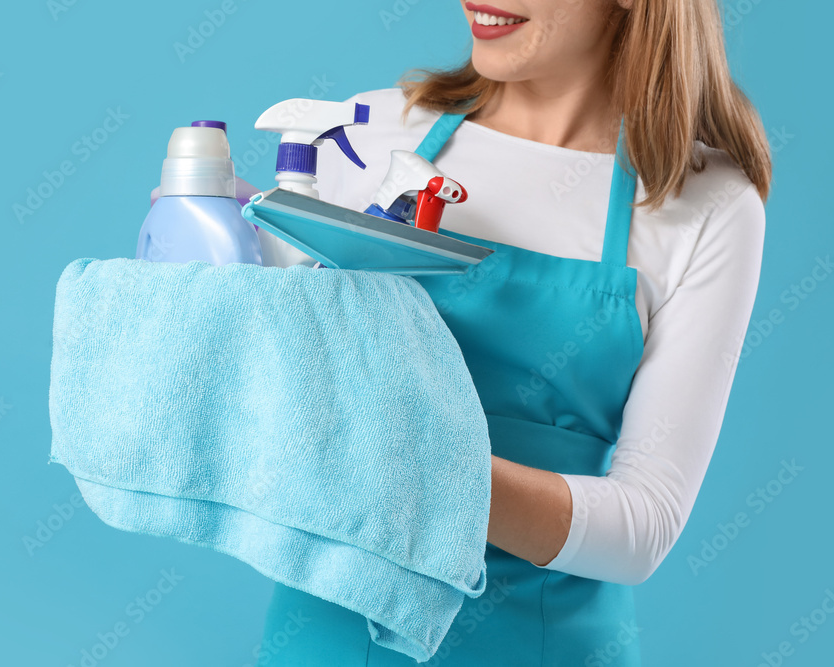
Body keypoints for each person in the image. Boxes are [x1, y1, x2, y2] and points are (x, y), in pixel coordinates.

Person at [256, 0, 770, 664]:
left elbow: (643, 525)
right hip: (325, 639)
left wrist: (424, 469)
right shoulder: (366, 135)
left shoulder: (705, 204)